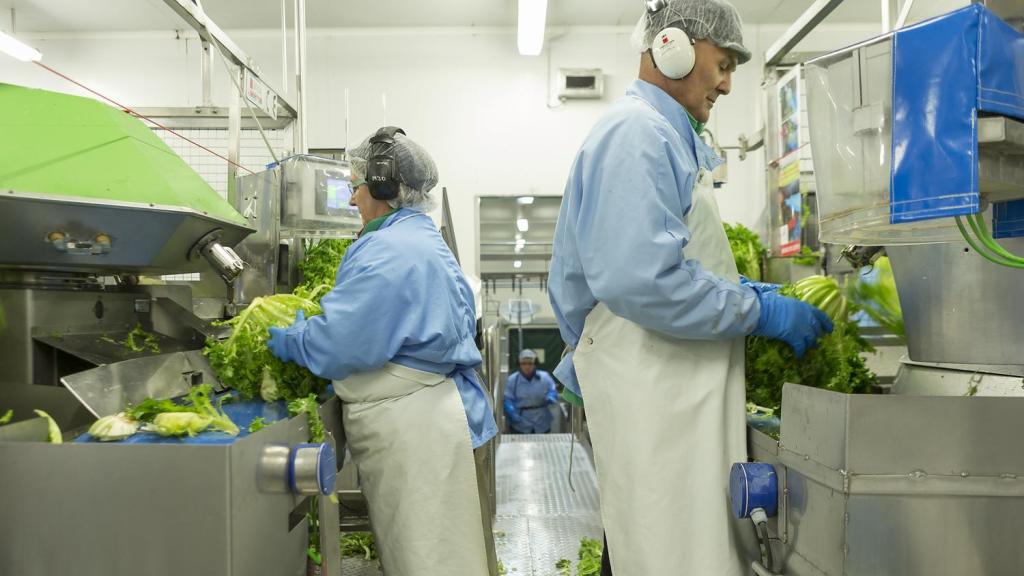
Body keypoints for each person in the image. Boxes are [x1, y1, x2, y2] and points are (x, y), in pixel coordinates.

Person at [547, 1, 833, 574]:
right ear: (672, 46)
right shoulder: (638, 134)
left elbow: (672, 262)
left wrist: (747, 289)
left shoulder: (667, 136)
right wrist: (758, 311)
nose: (727, 84)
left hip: (669, 385)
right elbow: (643, 281)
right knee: (668, 550)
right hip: (657, 385)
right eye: (723, 64)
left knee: (672, 547)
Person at [267, 127, 498, 576]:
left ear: (384, 184)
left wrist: (295, 339)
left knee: (432, 561)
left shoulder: (387, 249)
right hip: (438, 420)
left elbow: (341, 344)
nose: (352, 200)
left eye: (355, 186)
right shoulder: (418, 236)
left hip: (422, 435)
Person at [503, 349, 558, 434]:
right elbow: (508, 399)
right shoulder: (512, 380)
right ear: (519, 364)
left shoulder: (545, 377)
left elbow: (552, 389)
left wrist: (552, 395)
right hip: (521, 424)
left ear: (535, 364)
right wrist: (512, 413)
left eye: (530, 363)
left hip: (542, 422)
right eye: (524, 364)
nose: (527, 367)